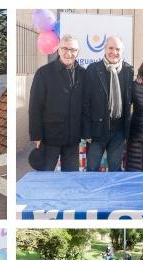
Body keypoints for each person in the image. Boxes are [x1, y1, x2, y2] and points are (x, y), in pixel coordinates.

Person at [29, 34, 86, 171]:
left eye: (73, 50)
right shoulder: (44, 73)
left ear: (77, 52)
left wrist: (85, 131)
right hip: (50, 138)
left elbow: (85, 105)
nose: (69, 53)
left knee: (70, 179)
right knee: (45, 176)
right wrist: (36, 135)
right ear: (58, 50)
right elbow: (35, 106)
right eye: (65, 48)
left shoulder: (83, 74)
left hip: (72, 139)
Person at [83, 36, 133, 172]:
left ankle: (114, 193)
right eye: (111, 48)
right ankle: (91, 193)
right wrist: (87, 131)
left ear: (122, 51)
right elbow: (85, 103)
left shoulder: (129, 70)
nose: (114, 52)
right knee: (92, 168)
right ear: (104, 49)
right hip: (96, 132)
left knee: (115, 169)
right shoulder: (93, 69)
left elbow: (132, 97)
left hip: (119, 132)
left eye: (117, 49)